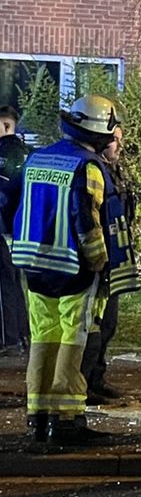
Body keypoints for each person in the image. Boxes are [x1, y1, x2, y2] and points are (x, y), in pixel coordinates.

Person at [8, 95, 127, 452]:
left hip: (32, 264)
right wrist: (99, 261)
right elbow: (86, 220)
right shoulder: (88, 166)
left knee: (44, 337)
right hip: (72, 268)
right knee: (73, 341)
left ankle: (39, 416)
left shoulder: (36, 158)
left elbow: (12, 204)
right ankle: (66, 420)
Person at [79, 121, 141, 404]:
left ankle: (96, 378)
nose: (119, 145)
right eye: (115, 139)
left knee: (108, 325)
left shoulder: (116, 171)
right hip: (97, 261)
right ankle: (84, 383)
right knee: (93, 325)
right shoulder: (93, 170)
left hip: (113, 260)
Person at [0, 105, 30, 355]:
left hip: (4, 228)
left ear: (6, 126)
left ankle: (10, 339)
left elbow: (5, 192)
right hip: (17, 229)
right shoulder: (23, 152)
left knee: (5, 284)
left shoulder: (7, 151)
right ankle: (21, 335)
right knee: (14, 283)